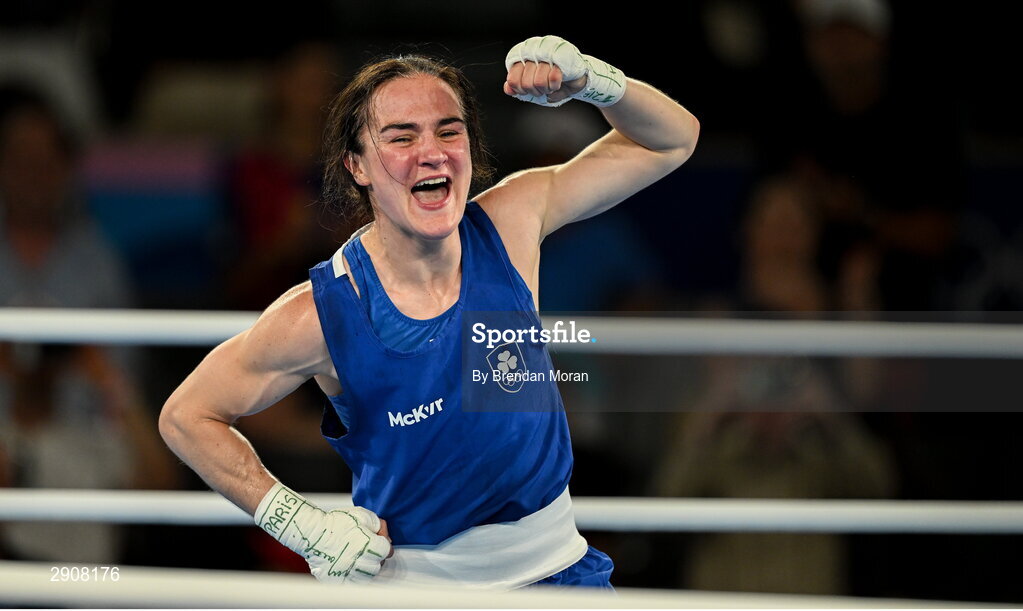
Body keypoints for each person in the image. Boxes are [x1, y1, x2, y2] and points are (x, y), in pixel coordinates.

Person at [159, 35, 698, 589]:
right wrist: (296, 522)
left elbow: (671, 142)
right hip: (417, 591)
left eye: (449, 130)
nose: (432, 151)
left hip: (560, 575)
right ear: (357, 166)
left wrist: (593, 81)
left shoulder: (511, 221)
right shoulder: (323, 313)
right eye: (401, 137)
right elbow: (186, 416)